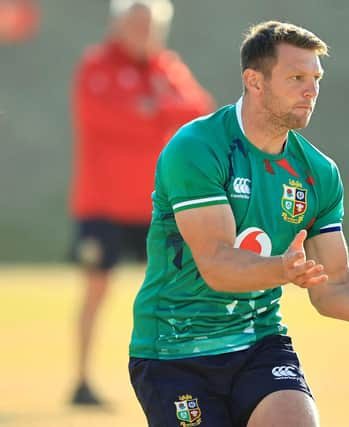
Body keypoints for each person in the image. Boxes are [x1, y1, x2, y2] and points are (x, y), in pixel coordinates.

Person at [128, 20, 349, 427]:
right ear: (254, 81)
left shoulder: (318, 173)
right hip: (174, 350)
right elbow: (217, 264)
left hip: (259, 343)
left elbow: (335, 287)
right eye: (296, 77)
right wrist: (282, 270)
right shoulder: (197, 149)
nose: (311, 90)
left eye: (315, 78)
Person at [69, 0, 215, 405]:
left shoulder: (168, 69)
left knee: (180, 291)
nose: (142, 33)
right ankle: (81, 380)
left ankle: (187, 372)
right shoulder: (96, 66)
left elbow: (198, 113)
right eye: (134, 25)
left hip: (158, 205)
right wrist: (154, 116)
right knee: (96, 289)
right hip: (102, 204)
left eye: (149, 26)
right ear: (117, 26)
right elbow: (104, 119)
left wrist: (153, 109)